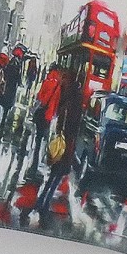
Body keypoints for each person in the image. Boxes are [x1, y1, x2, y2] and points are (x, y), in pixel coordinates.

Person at [35, 66, 83, 225]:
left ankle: (42, 200)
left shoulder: (65, 93)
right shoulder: (75, 96)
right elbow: (75, 121)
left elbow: (61, 115)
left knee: (55, 173)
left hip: (62, 138)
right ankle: (44, 202)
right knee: (58, 173)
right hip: (67, 141)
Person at [23, 63, 62, 176]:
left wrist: (39, 103)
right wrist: (54, 113)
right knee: (45, 135)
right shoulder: (58, 85)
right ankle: (40, 156)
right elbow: (57, 103)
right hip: (49, 115)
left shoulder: (47, 81)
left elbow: (40, 97)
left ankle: (35, 161)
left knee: (38, 137)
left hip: (42, 112)